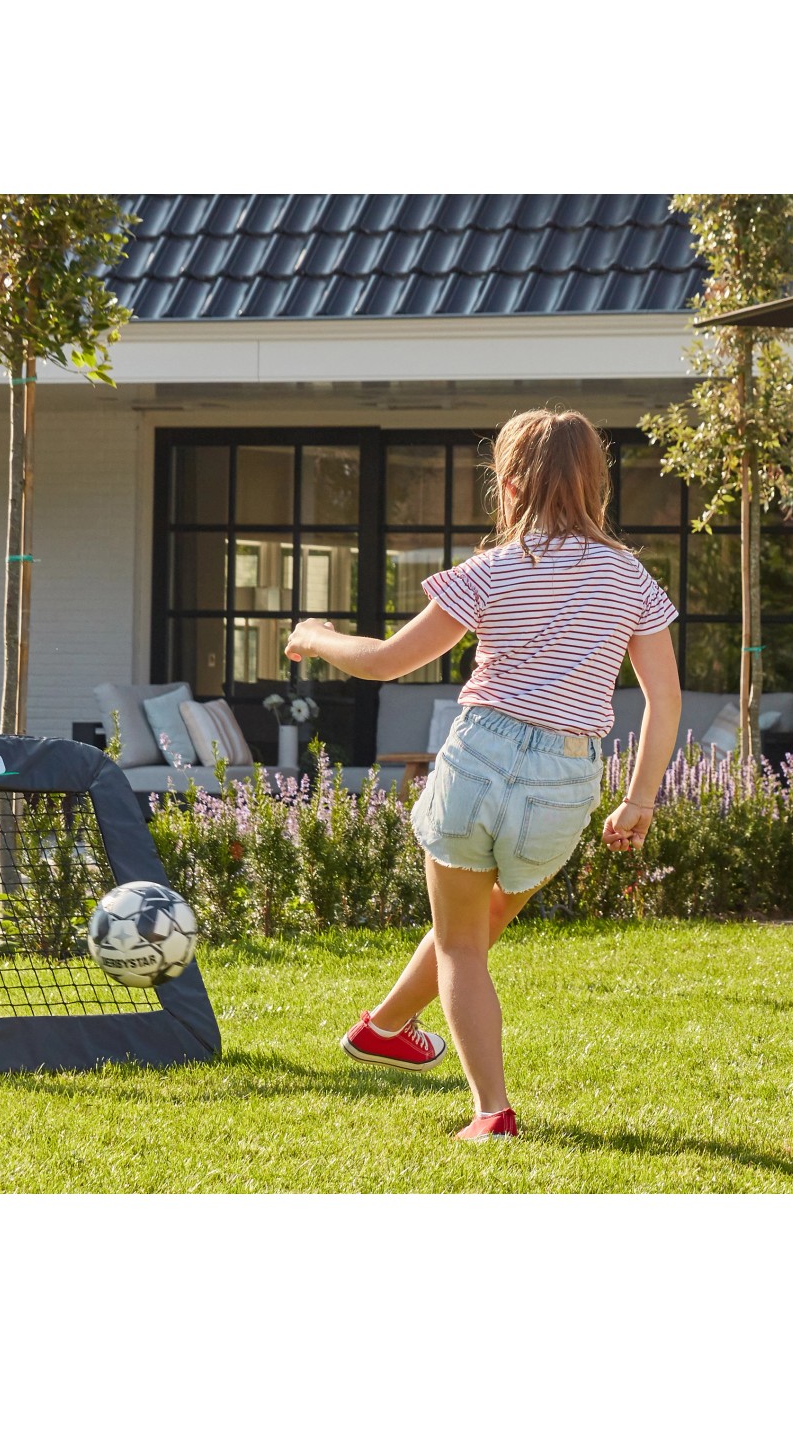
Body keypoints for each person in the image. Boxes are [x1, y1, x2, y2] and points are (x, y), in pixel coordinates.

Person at [284, 407, 682, 1142]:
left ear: (505, 483)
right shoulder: (629, 577)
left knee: (464, 938)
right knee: (486, 918)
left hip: (480, 756)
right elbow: (665, 698)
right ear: (600, 482)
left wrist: (318, 636)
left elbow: (386, 663)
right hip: (565, 774)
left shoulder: (489, 572)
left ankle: (489, 1111)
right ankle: (387, 1026)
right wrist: (639, 800)